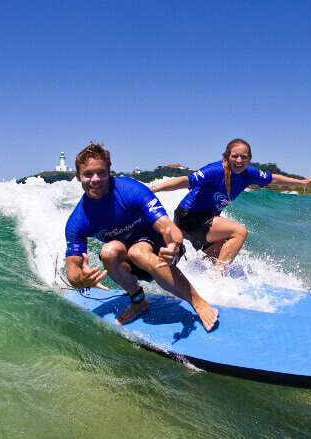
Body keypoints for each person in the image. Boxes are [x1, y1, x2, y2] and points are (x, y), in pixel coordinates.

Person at [65, 142, 218, 331]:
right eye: (88, 174)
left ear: (109, 172)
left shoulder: (131, 190)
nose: (95, 179)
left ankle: (198, 302)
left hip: (160, 249)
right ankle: (138, 302)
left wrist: (176, 247)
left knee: (138, 251)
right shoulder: (78, 219)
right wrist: (82, 280)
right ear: (78, 176)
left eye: (101, 172)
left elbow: (168, 227)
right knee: (108, 251)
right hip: (129, 263)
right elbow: (72, 271)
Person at [150, 138, 311, 276]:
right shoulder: (215, 170)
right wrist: (155, 189)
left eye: (244, 157)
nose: (239, 160)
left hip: (204, 223)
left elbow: (274, 179)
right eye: (235, 156)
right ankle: (216, 280)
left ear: (249, 158)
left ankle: (196, 282)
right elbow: (186, 180)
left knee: (218, 260)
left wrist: (302, 182)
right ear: (227, 156)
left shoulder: (249, 174)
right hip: (189, 217)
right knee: (239, 232)